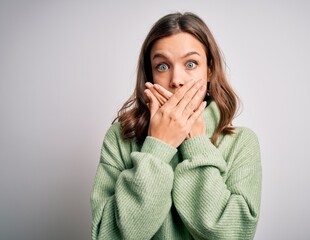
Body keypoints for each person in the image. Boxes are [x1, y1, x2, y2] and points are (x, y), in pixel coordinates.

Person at [91, 12, 262, 240]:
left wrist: (196, 144)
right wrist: (158, 146)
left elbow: (233, 235)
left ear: (209, 70)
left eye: (191, 64)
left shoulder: (242, 142)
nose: (176, 79)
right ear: (150, 74)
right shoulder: (120, 137)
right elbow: (108, 235)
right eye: (162, 66)